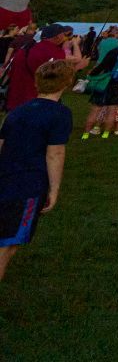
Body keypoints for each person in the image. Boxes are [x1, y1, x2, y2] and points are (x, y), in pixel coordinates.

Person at [0, 59, 73, 283]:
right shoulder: (60, 114)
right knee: (6, 246)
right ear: (67, 83)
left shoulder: (18, 111)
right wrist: (54, 189)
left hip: (5, 178)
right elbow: (55, 153)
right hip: (27, 186)